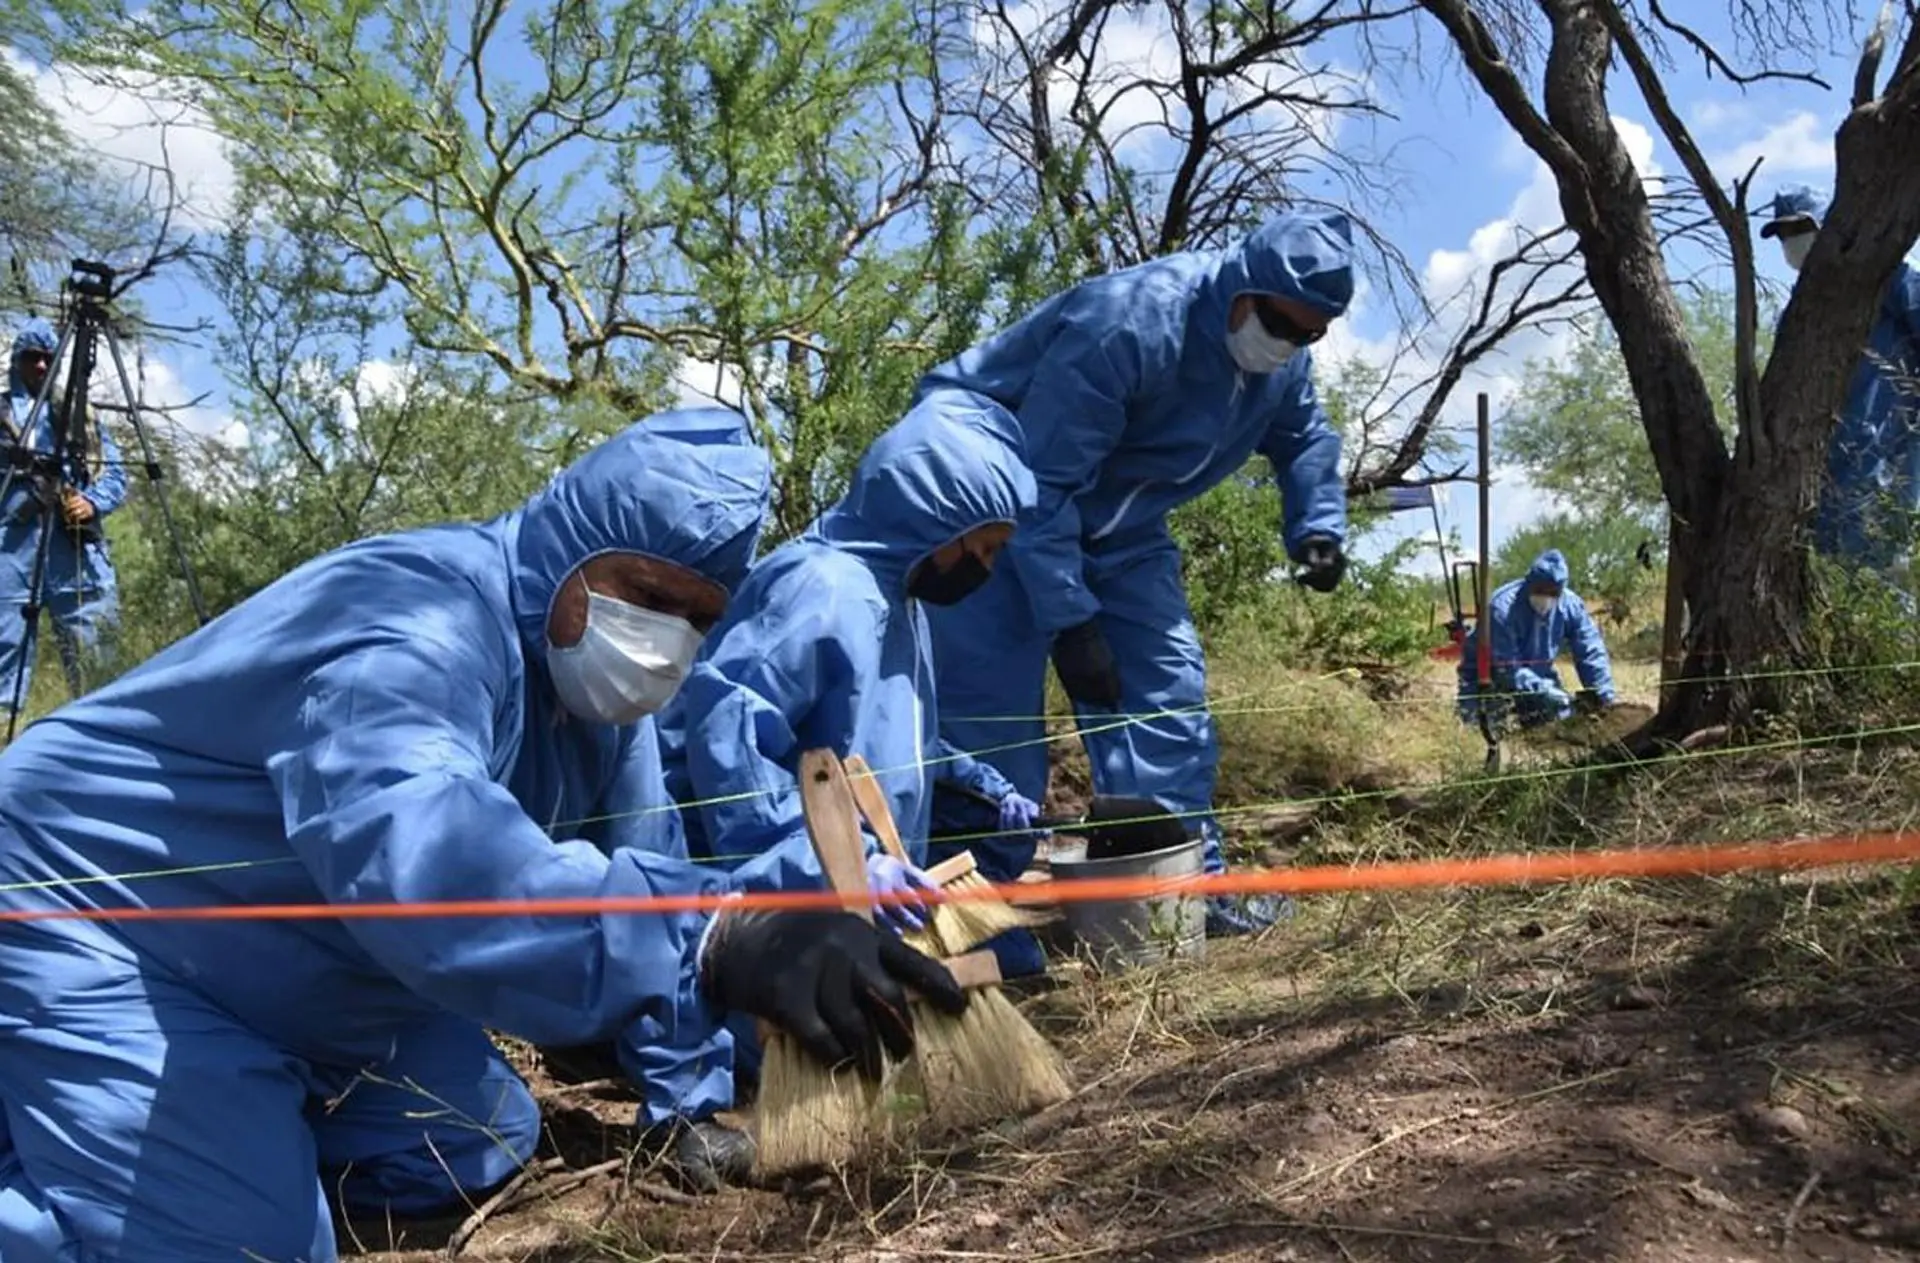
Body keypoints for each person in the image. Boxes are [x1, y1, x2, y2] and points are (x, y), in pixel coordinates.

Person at [0, 407, 966, 1263]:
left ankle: (202, 1126)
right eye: (648, 592)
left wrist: (724, 1063)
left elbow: (655, 871)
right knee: (250, 1244)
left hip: (306, 958)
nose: (667, 637)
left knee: (476, 1136)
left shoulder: (598, 710)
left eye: (699, 615)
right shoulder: (412, 622)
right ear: (572, 545)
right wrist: (715, 937)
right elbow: (422, 853)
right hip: (98, 919)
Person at [911, 208, 1355, 970]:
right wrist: (1073, 622)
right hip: (997, 508)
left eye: (1308, 333)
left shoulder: (1282, 361)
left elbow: (1304, 436)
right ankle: (977, 920)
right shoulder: (1130, 324)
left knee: (1169, 703)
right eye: (1280, 322)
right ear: (1239, 288)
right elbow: (1040, 486)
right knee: (989, 727)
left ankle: (1183, 893)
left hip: (1121, 526)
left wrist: (1316, 523)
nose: (1287, 342)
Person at [651, 392, 1037, 1116]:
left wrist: (980, 786)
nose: (983, 568)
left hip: (854, 889)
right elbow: (730, 742)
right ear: (931, 513)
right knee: (797, 1045)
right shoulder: (823, 588)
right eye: (980, 547)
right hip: (769, 900)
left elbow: (894, 739)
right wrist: (824, 859)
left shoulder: (901, 599)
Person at [1760, 184, 1920, 575]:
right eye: (1783, 234)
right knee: (1830, 575)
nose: (1791, 241)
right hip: (1823, 470)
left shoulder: (1888, 275)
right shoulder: (1799, 311)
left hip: (1885, 456)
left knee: (1881, 573)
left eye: (1800, 228)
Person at [1, 318, 127, 712]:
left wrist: (91, 502)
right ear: (18, 360)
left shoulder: (77, 415)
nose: (40, 366)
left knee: (96, 662)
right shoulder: (2, 410)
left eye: (48, 359)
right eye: (32, 357)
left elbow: (115, 473)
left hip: (73, 551)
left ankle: (99, 735)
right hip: (10, 551)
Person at [1456, 548, 1617, 728]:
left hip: (1540, 675)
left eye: (1553, 593)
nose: (1546, 597)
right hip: (1491, 678)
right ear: (1529, 583)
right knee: (1486, 728)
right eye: (1540, 590)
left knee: (1561, 722)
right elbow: (1508, 669)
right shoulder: (1502, 609)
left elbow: (1590, 650)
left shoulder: (1571, 606)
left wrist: (1602, 693)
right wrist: (1547, 692)